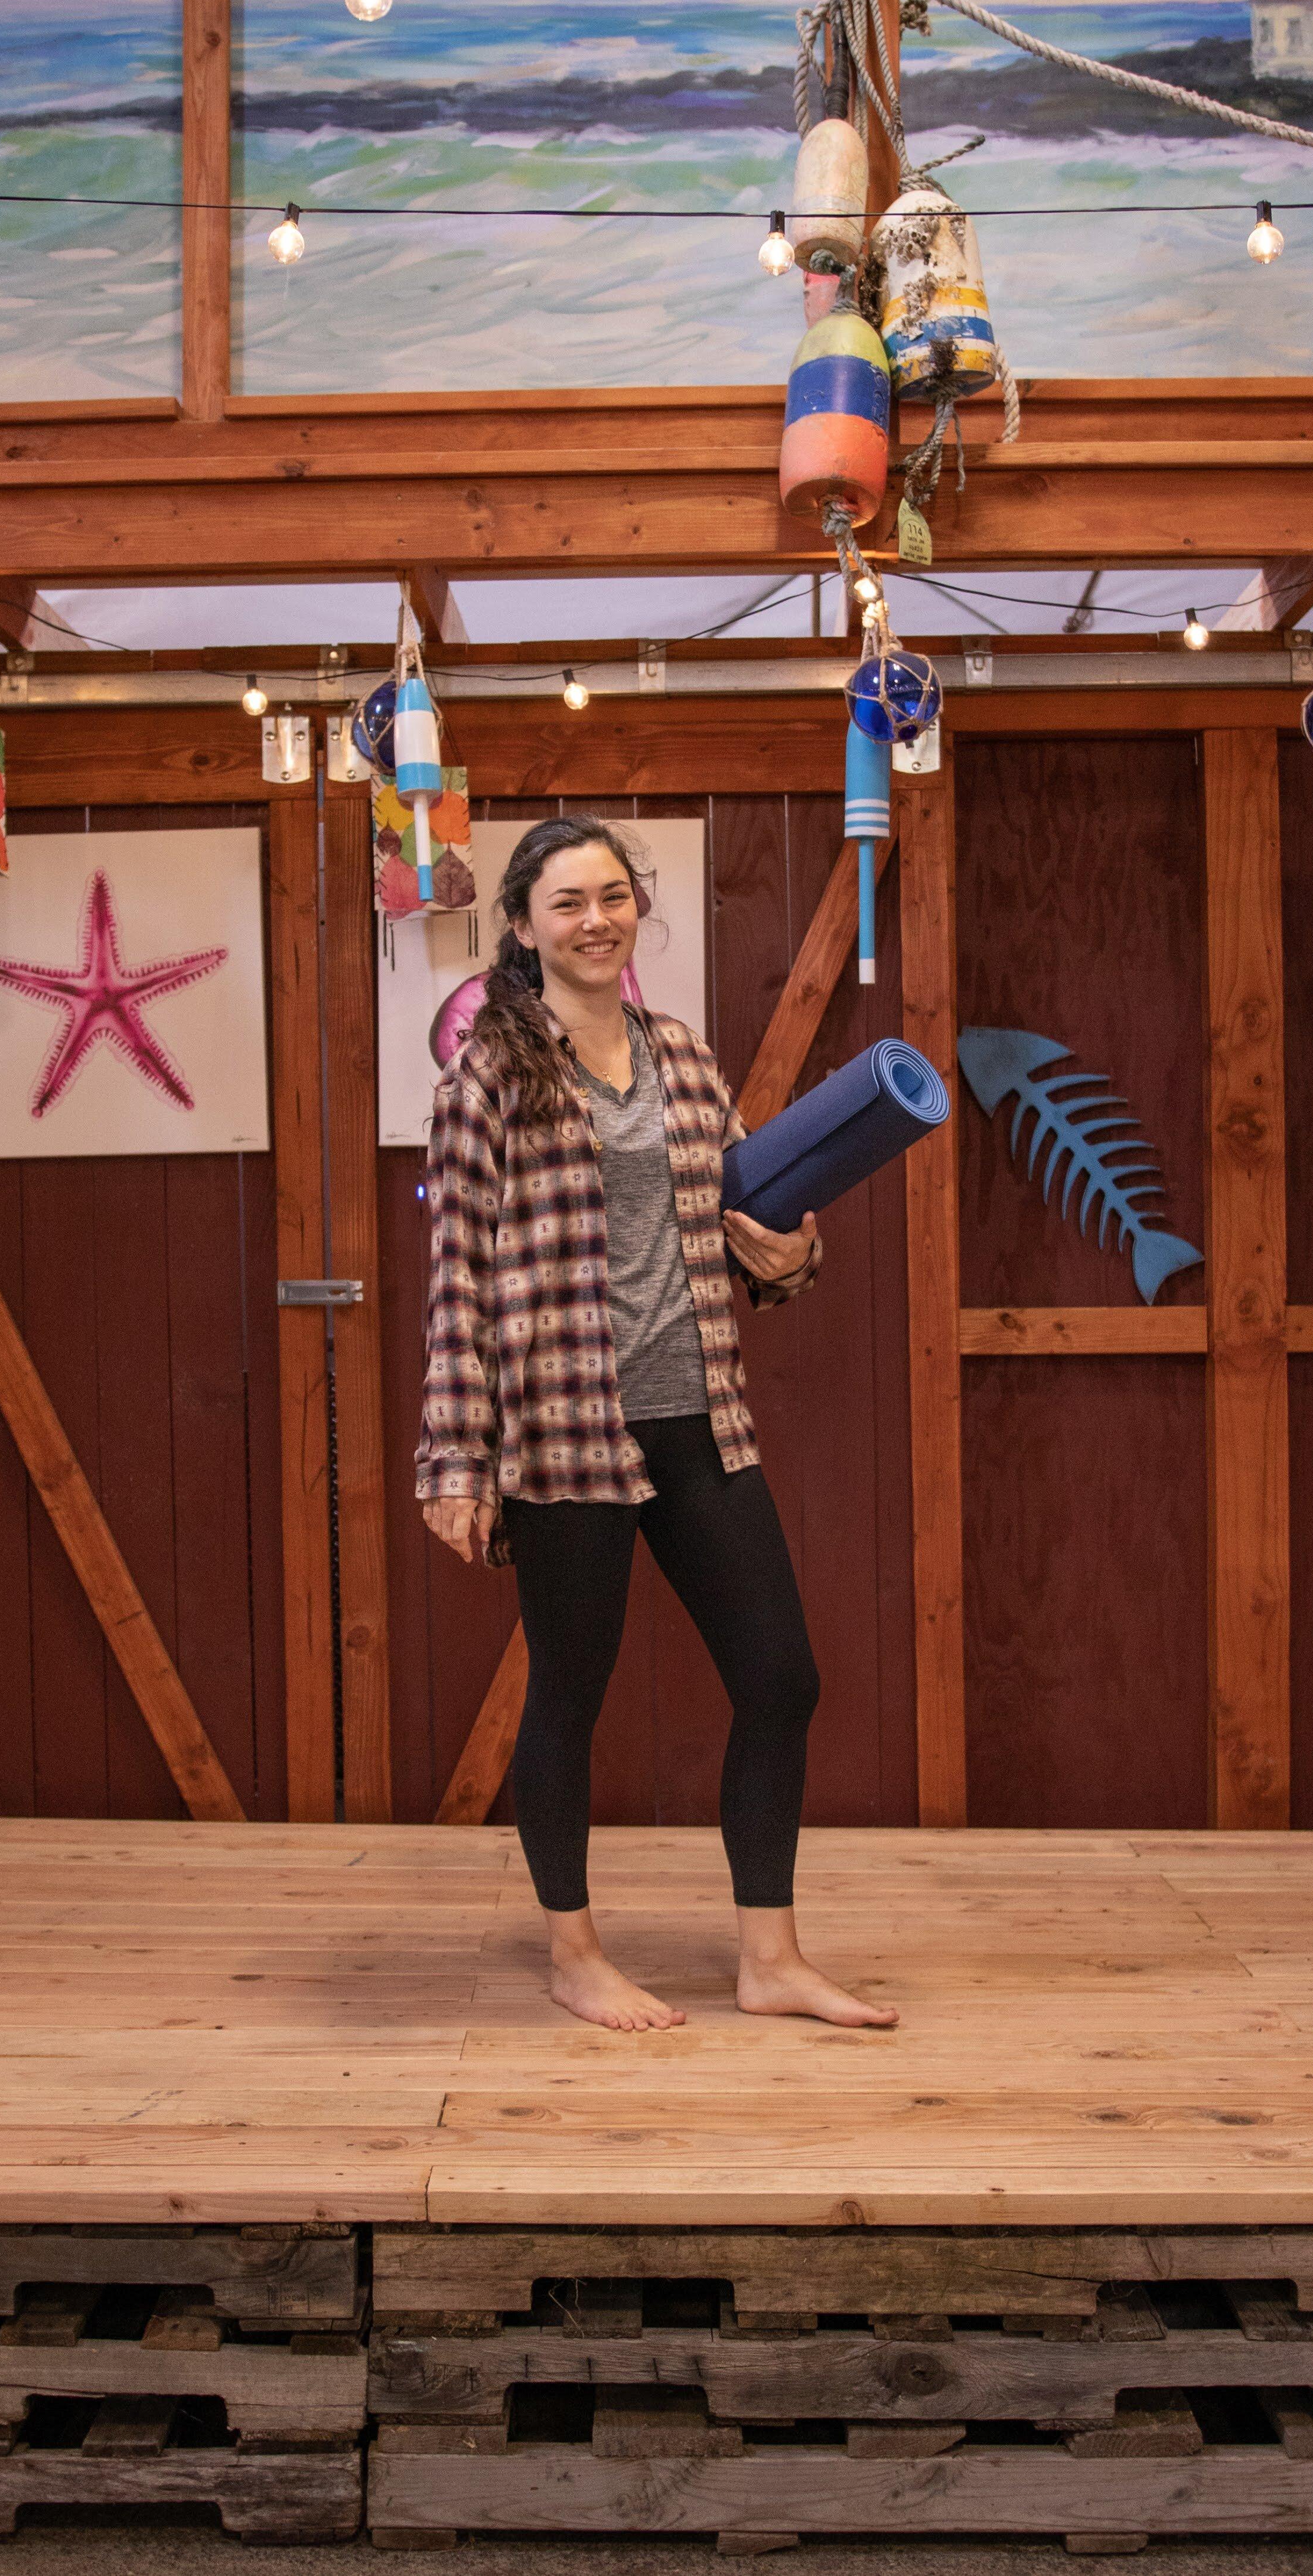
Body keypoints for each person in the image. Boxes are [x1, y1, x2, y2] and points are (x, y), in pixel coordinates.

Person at [416, 815, 898, 2035]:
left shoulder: (681, 1058)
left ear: (638, 913)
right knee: (569, 1697)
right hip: (564, 1428)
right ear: (522, 926)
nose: (596, 918)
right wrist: (454, 1458)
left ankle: (770, 1958)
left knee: (781, 1676)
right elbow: (458, 1276)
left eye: (614, 896)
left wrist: (790, 1252)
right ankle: (575, 1954)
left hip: (698, 1416)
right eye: (568, 901)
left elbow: (749, 1219)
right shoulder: (488, 1073)